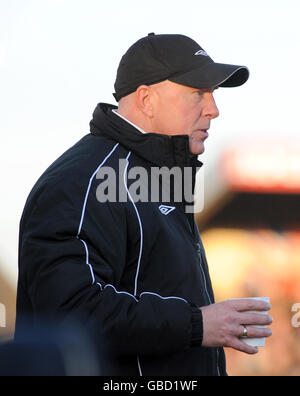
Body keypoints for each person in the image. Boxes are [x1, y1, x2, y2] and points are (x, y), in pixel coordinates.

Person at [15, 33, 272, 376]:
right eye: (198, 92)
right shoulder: (82, 180)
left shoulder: (162, 179)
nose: (213, 109)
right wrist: (197, 324)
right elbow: (69, 314)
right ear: (147, 100)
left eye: (213, 95)